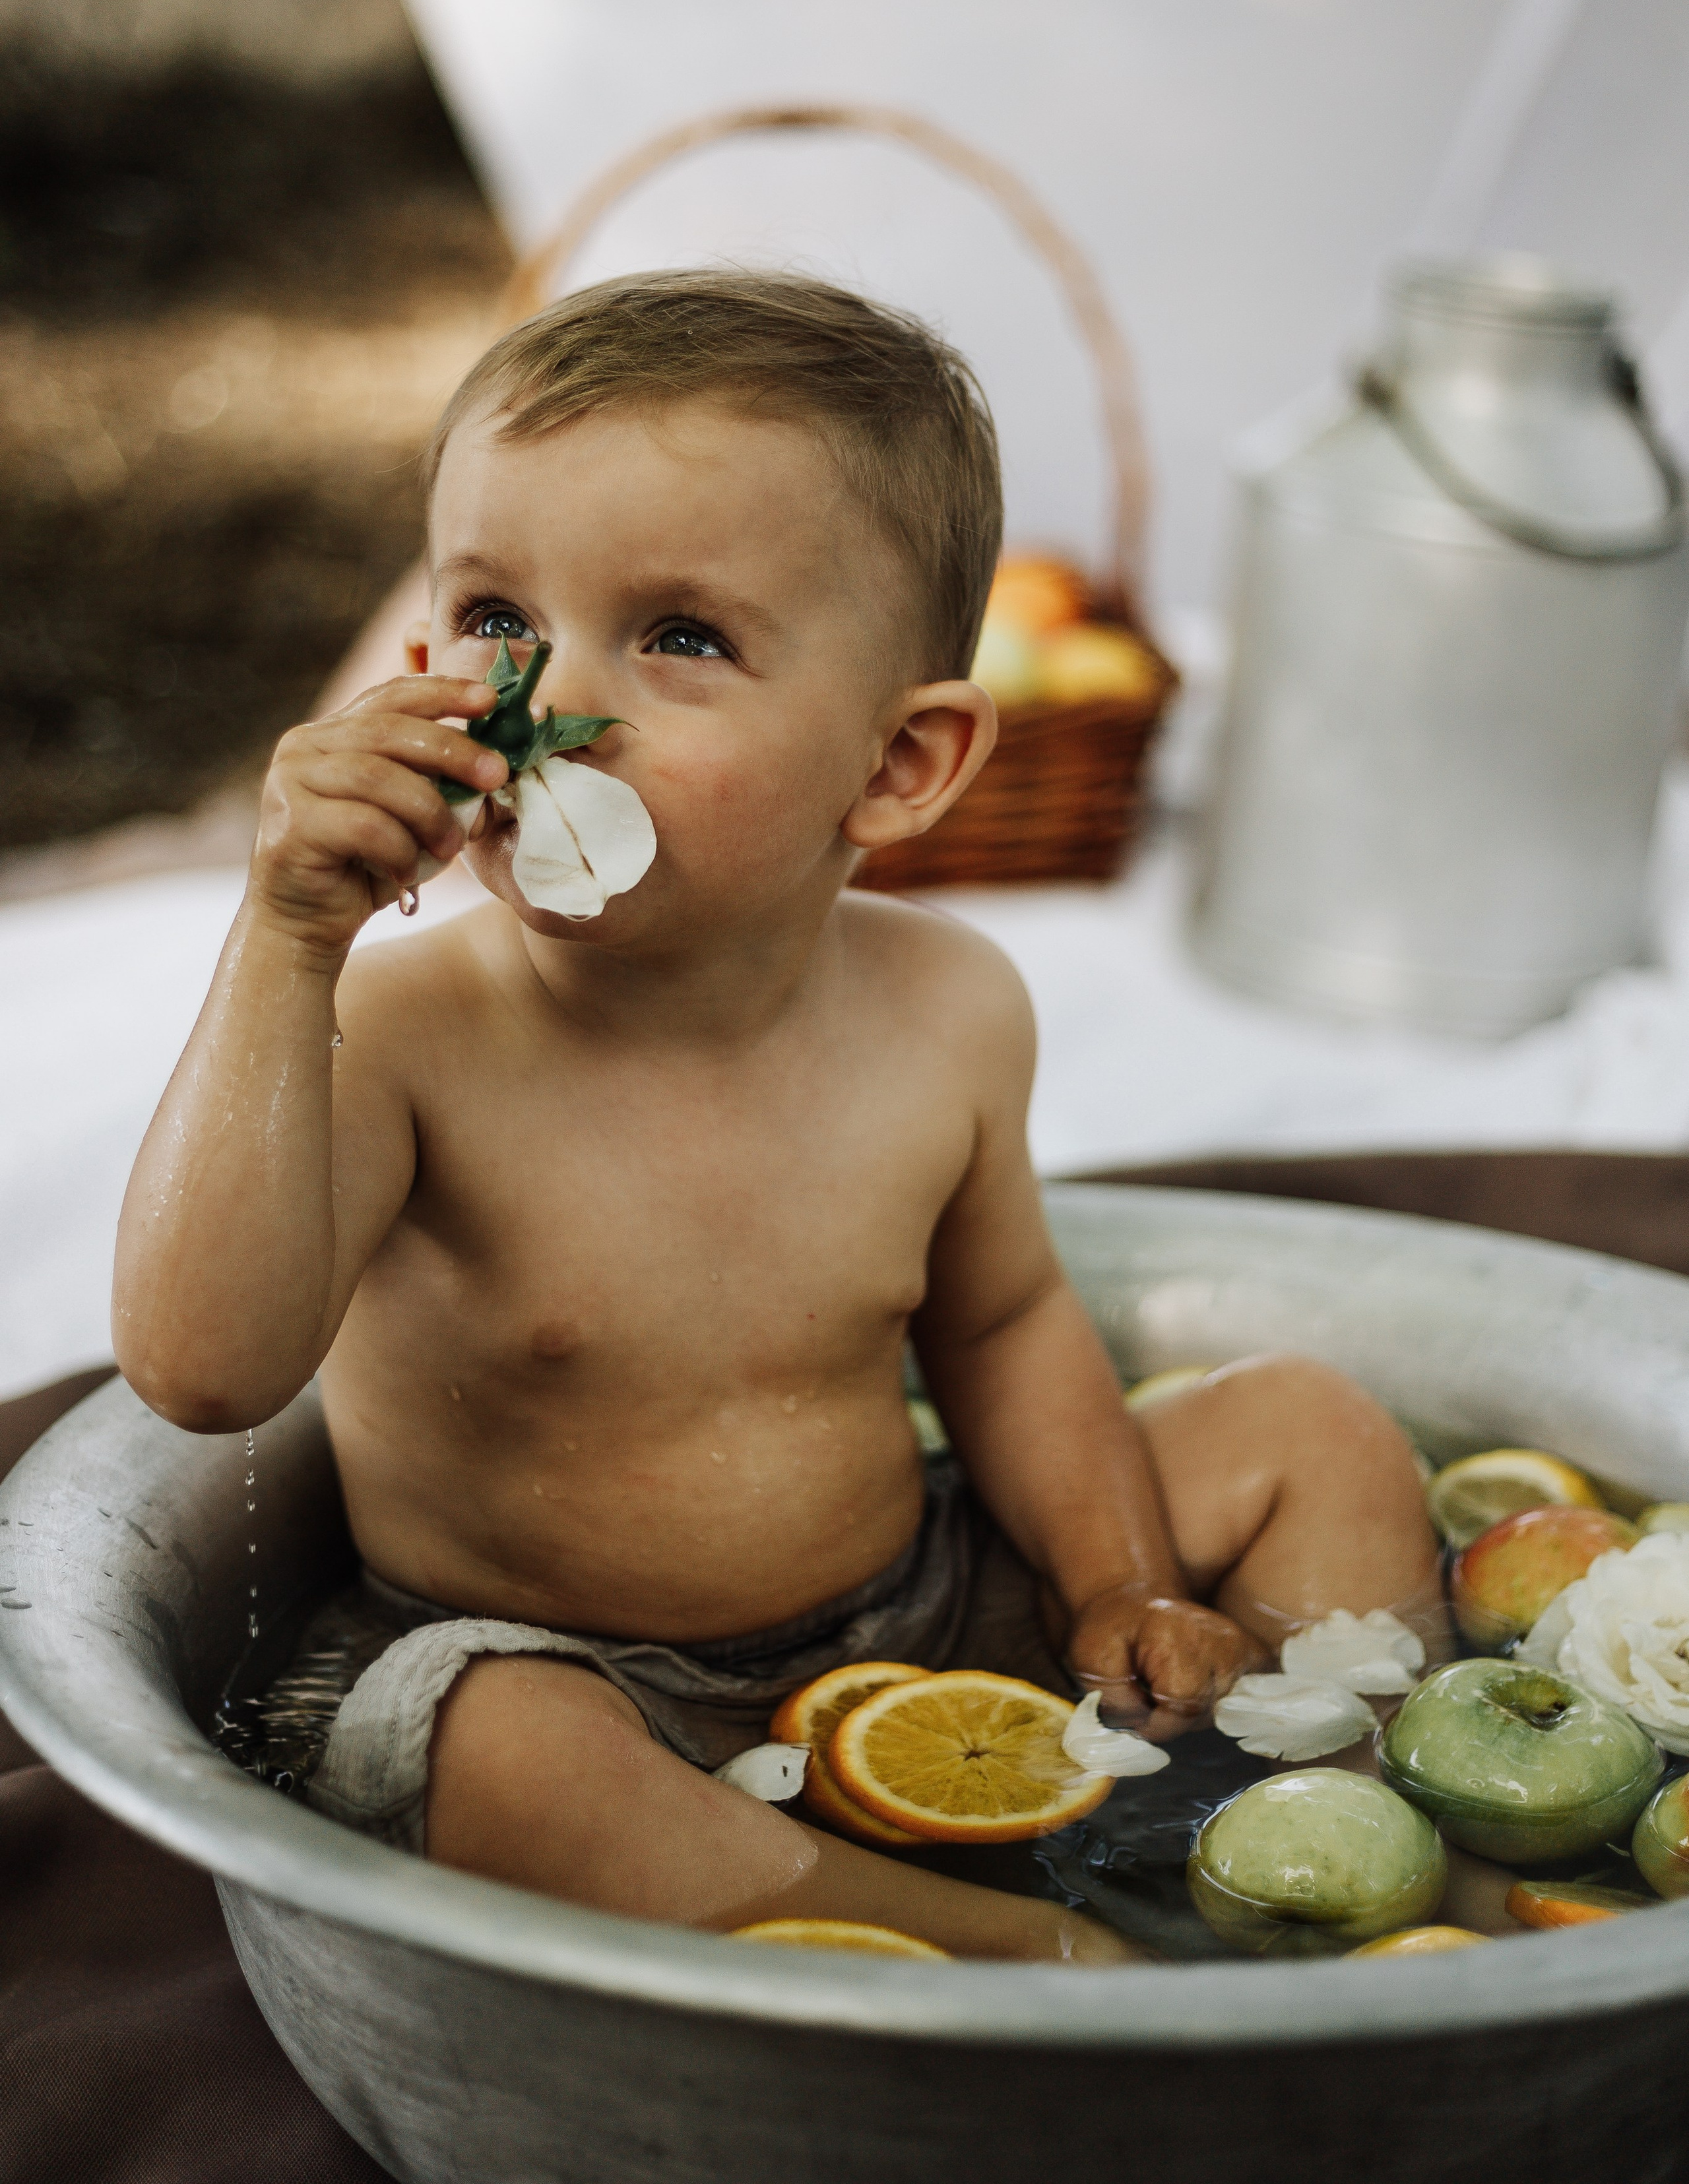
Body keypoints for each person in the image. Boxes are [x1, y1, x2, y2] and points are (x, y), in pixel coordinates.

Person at [113, 271, 1440, 1962]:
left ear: (894, 768)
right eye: (498, 618)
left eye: (679, 636)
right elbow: (200, 1372)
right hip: (562, 1672)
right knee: (495, 1757)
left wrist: (1114, 1581)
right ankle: (1021, 1956)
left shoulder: (947, 1010)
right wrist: (285, 939)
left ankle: (1345, 1843)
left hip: (929, 1610)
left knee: (1311, 1431)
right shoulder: (397, 1031)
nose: (543, 705)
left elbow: (1009, 1324)